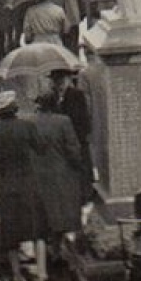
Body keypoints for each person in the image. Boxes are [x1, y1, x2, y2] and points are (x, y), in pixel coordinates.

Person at [0, 91, 47, 281]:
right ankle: (42, 273)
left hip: (7, 185)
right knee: (37, 229)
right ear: (15, 109)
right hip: (29, 183)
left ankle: (16, 276)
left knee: (11, 232)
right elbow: (41, 148)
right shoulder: (27, 127)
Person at [27, 87, 84, 281]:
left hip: (37, 177)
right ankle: (57, 252)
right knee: (59, 213)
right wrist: (77, 165)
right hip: (61, 176)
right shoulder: (64, 121)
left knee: (41, 220)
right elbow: (74, 149)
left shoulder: (29, 122)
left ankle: (42, 270)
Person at [50, 69, 94, 202]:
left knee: (82, 166)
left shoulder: (77, 95)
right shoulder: (52, 97)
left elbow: (83, 118)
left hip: (77, 137)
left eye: (61, 80)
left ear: (67, 80)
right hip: (61, 139)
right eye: (56, 81)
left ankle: (85, 194)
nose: (59, 84)